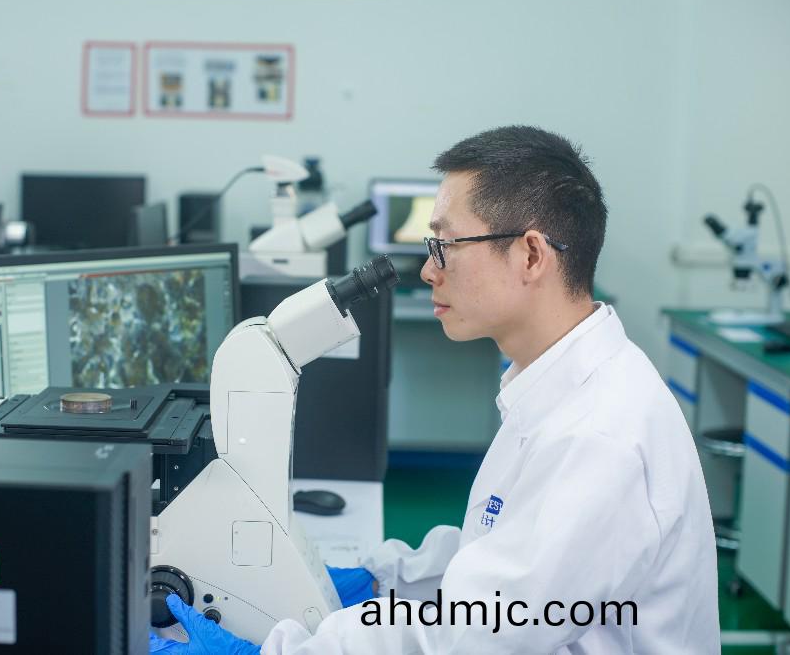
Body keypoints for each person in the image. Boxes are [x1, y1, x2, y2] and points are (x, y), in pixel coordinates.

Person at [152, 125, 720, 654]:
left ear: (530, 255)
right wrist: (387, 577)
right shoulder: (560, 390)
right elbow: (504, 554)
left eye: (445, 245)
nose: (428, 270)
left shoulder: (598, 438)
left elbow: (470, 636)